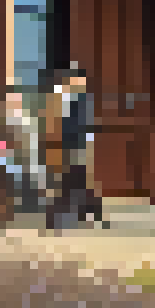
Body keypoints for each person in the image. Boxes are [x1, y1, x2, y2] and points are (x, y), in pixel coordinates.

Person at [45, 74, 106, 229]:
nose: (81, 85)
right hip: (64, 147)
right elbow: (53, 125)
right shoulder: (58, 98)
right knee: (67, 183)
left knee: (80, 181)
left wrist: (89, 145)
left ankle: (88, 215)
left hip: (79, 147)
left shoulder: (83, 101)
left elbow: (88, 125)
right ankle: (59, 218)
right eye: (78, 82)